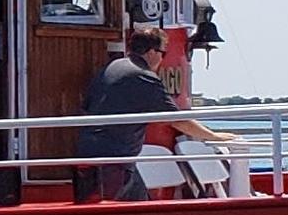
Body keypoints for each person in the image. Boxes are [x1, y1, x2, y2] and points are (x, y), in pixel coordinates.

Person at [77, 21, 227, 199]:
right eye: (163, 53)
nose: (162, 59)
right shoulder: (143, 76)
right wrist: (213, 136)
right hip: (115, 161)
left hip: (90, 154)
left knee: (127, 212)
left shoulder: (111, 68)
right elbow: (177, 120)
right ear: (152, 52)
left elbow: (87, 106)